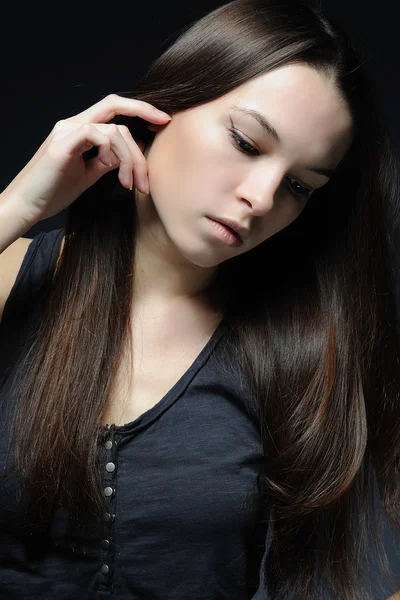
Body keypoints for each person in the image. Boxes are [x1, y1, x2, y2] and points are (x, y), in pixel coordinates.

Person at [0, 0, 399, 597]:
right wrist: (16, 207)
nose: (263, 197)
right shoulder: (13, 277)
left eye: (299, 186)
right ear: (165, 104)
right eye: (247, 141)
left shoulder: (308, 348)